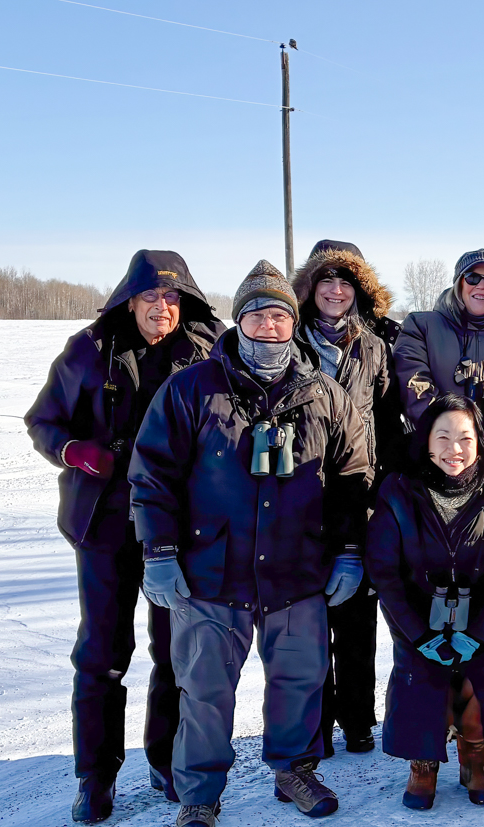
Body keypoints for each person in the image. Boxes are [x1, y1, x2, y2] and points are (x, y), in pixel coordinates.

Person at [128, 261, 370, 827]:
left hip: (297, 572)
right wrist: (158, 552)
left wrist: (349, 550)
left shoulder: (326, 396)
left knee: (300, 680)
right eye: (257, 314)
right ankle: (200, 795)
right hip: (212, 571)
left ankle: (294, 770)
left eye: (280, 315)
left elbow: (353, 478)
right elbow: (152, 476)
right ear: (239, 321)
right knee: (205, 693)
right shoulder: (190, 388)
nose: (269, 325)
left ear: (293, 323)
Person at [25, 250, 225, 823]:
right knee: (103, 653)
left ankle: (166, 760)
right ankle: (96, 776)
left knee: (176, 652)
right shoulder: (90, 350)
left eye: (170, 298)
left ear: (183, 303)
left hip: (181, 523)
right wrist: (73, 451)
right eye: (148, 298)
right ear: (127, 300)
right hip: (107, 520)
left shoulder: (209, 349)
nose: (160, 307)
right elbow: (44, 420)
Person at [366, 394, 484, 810]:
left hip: (474, 617)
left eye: (465, 438)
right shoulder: (398, 491)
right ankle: (423, 766)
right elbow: (384, 571)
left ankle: (475, 759)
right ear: (427, 440)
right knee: (422, 682)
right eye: (444, 436)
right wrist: (418, 635)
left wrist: (478, 629)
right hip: (415, 617)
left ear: (479, 442)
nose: (455, 449)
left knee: (476, 682)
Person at [293, 244, 399, 757]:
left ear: (360, 289)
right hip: (301, 497)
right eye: (325, 281)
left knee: (357, 620)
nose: (336, 291)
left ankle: (358, 719)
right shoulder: (288, 340)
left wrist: (393, 488)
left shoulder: (374, 346)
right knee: (308, 622)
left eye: (346, 282)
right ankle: (314, 723)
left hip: (359, 495)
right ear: (309, 289)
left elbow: (387, 419)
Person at [394, 249, 484, 483]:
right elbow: (413, 383)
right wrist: (447, 437)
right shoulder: (420, 326)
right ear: (458, 282)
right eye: (472, 277)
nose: (481, 285)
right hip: (431, 461)